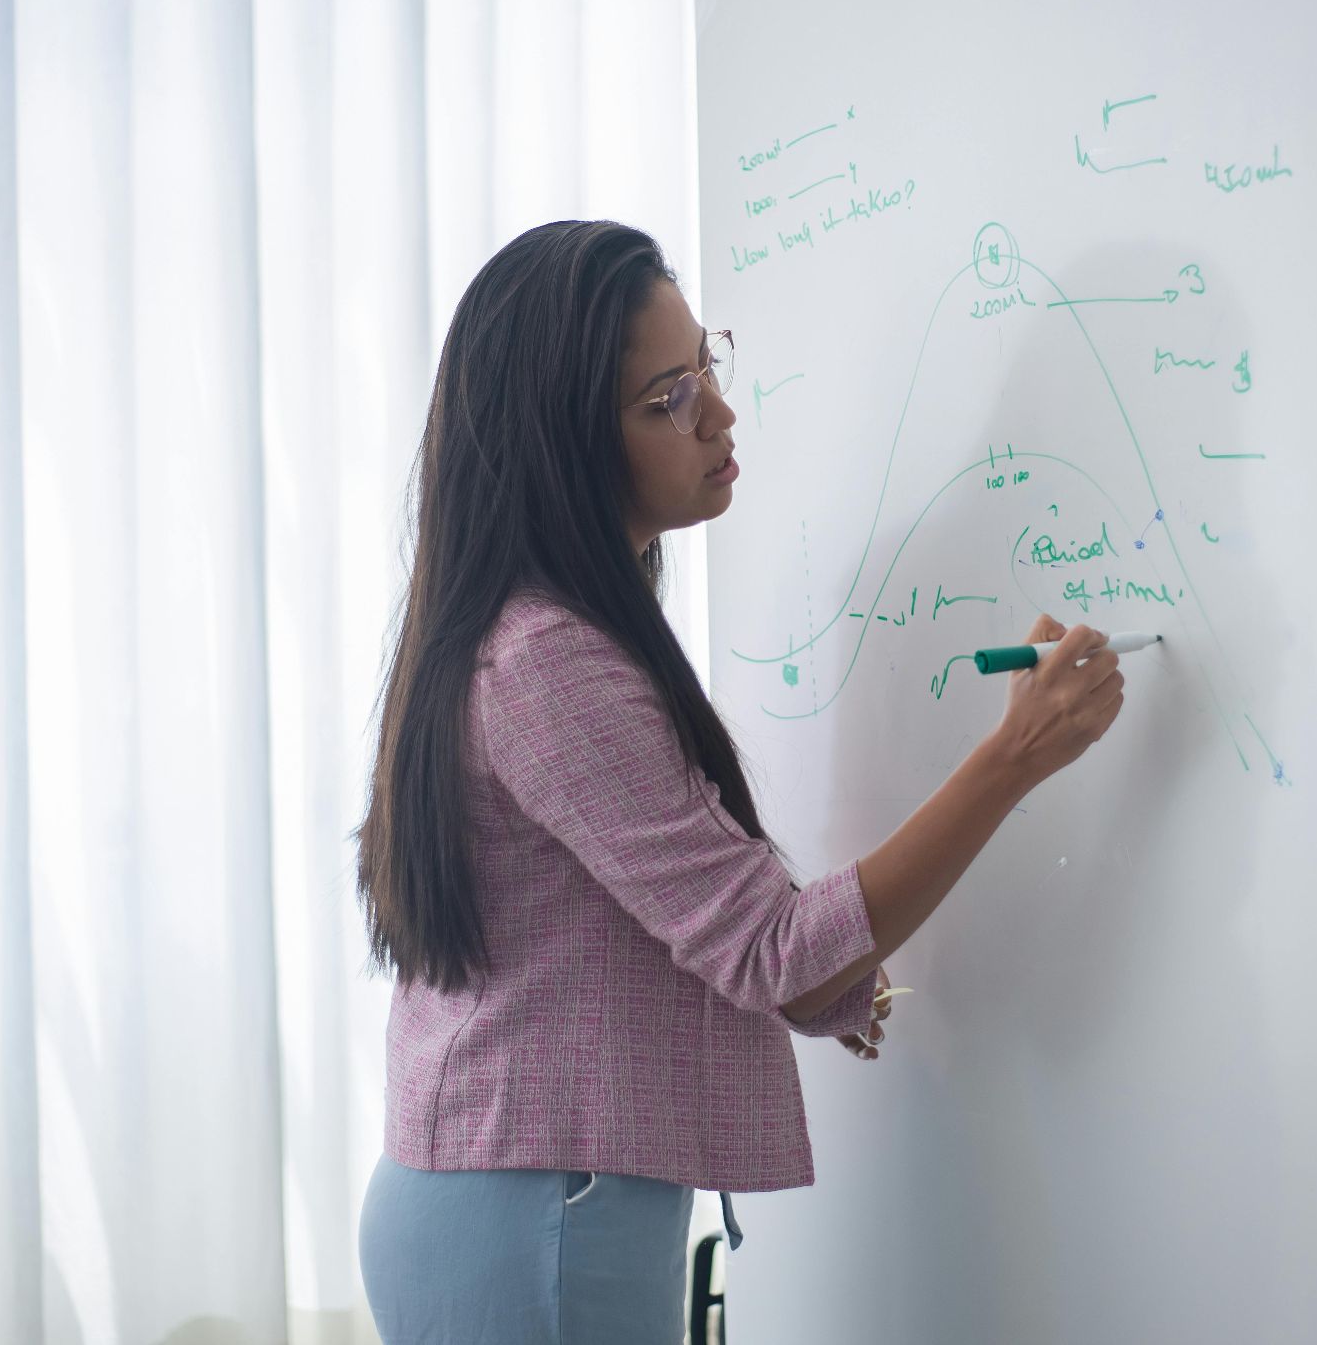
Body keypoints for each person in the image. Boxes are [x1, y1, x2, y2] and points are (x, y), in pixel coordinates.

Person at [353, 219, 1126, 1343]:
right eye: (664, 398)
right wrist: (1012, 756)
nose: (716, 412)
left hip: (517, 1200)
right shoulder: (548, 663)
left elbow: (689, 930)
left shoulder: (532, 629)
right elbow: (767, 947)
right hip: (538, 1220)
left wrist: (824, 981)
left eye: (704, 364)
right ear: (566, 444)